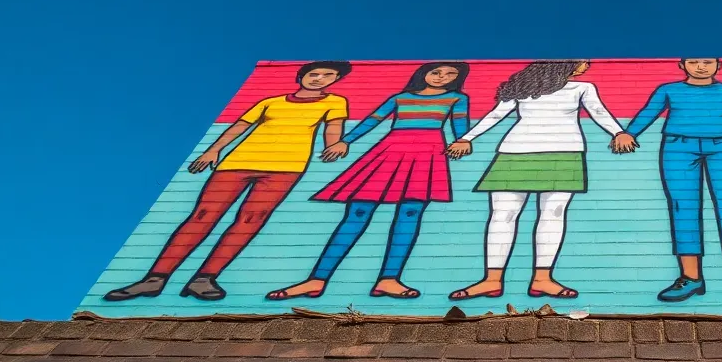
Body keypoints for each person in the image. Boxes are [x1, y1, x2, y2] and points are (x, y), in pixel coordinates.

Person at [103, 61, 352, 302]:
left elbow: (333, 127)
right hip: (237, 163)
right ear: (301, 76)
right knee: (202, 215)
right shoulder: (270, 102)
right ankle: (155, 278)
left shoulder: (335, 102)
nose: (319, 78)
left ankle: (205, 278)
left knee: (250, 219)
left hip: (286, 168)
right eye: (315, 74)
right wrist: (213, 150)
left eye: (327, 75)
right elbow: (238, 127)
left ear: (336, 80)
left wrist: (335, 144)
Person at [267, 62, 471, 301]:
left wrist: (464, 140)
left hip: (427, 154)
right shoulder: (400, 98)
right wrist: (346, 141)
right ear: (423, 73)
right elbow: (372, 121)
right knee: (358, 211)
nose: (441, 77)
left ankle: (389, 279)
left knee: (410, 213)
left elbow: (460, 126)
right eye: (436, 72)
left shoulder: (457, 98)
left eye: (450, 74)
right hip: (388, 151)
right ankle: (316, 279)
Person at [446, 60, 631, 300]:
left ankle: (542, 279)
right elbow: (497, 114)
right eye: (583, 62)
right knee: (502, 215)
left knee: (553, 214)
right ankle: (491, 280)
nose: (586, 67)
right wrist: (467, 138)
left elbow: (598, 112)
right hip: (514, 153)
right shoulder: (523, 87)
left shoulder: (582, 88)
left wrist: (618, 132)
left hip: (564, 154)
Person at [620, 58, 722, 303]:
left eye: (707, 61)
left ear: (718, 65)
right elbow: (649, 112)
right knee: (683, 207)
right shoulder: (668, 90)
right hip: (678, 147)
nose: (701, 66)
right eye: (693, 62)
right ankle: (691, 278)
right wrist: (629, 133)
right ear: (682, 66)